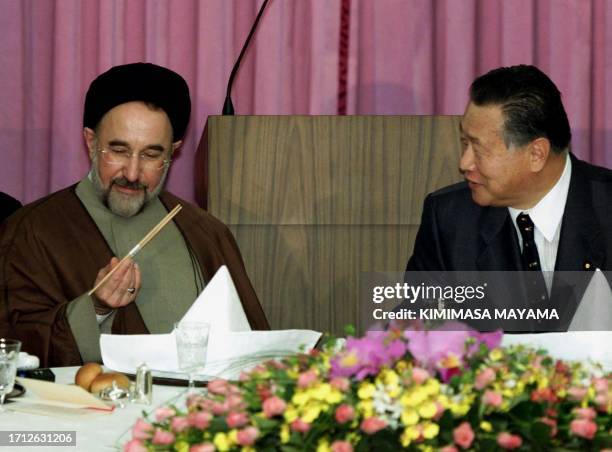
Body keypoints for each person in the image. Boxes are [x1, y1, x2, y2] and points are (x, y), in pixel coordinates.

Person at [0, 63, 269, 367]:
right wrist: (95, 309)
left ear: (172, 153)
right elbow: (14, 348)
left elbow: (252, 348)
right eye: (118, 150)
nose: (132, 172)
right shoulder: (31, 229)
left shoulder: (205, 232)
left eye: (152, 155)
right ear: (91, 142)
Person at [406, 65, 612, 330]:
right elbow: (416, 324)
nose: (464, 163)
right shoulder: (449, 219)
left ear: (536, 154)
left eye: (479, 148)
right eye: (464, 143)